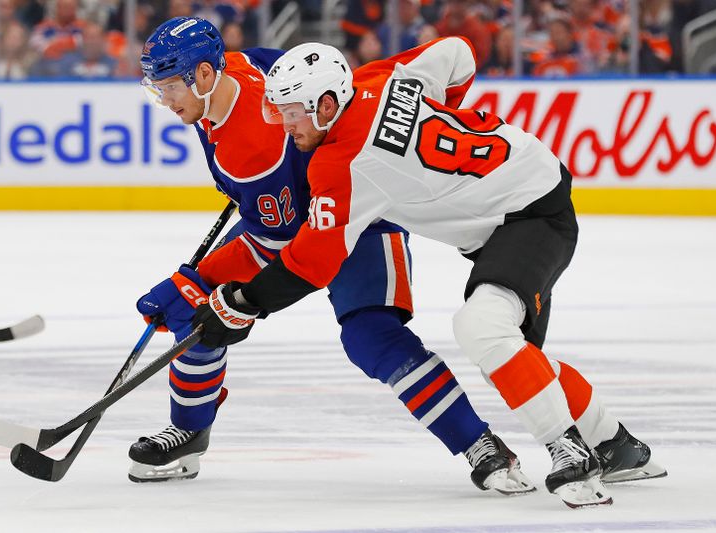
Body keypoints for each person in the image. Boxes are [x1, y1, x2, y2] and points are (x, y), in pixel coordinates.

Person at [189, 37, 668, 508]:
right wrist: (440, 115)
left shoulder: (343, 165)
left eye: (292, 112)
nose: (284, 125)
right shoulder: (378, 79)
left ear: (328, 104)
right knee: (515, 358)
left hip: (528, 212)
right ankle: (617, 445)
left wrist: (242, 303)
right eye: (277, 112)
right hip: (525, 189)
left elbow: (311, 263)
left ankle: (569, 452)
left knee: (482, 328)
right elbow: (459, 52)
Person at [131, 17, 535, 495]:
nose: (166, 100)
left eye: (171, 86)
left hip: (358, 215)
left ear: (203, 75)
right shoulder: (238, 67)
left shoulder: (254, 153)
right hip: (292, 211)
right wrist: (197, 282)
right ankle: (189, 430)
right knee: (196, 303)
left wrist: (199, 278)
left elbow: (279, 244)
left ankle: (480, 444)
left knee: (372, 336)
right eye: (158, 88)